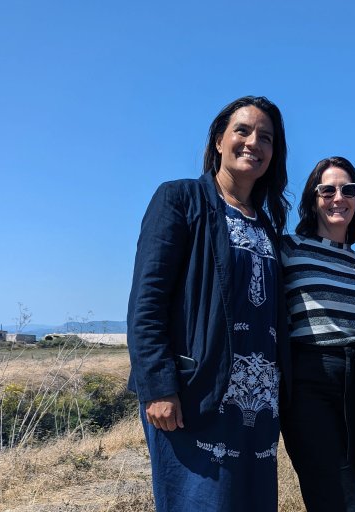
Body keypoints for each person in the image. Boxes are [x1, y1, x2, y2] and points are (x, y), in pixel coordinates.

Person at [126, 96, 291, 512]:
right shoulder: (180, 200)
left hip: (257, 409)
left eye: (266, 137)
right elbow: (147, 300)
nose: (254, 142)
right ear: (219, 140)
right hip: (196, 399)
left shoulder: (268, 226)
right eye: (243, 130)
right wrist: (158, 386)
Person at [280, 156, 355, 512]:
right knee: (337, 498)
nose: (339, 197)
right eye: (328, 189)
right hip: (309, 375)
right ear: (313, 197)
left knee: (350, 485)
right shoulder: (289, 247)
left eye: (348, 189)